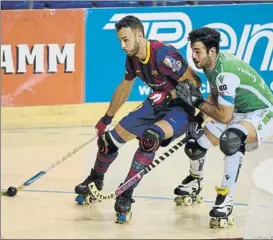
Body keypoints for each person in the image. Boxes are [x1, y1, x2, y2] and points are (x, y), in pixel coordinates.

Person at [74, 15, 202, 223]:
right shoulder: (132, 58)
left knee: (149, 139)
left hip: (180, 108)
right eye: (120, 41)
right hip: (155, 104)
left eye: (126, 40)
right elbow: (125, 87)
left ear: (139, 35)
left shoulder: (163, 54)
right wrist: (107, 118)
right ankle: (95, 180)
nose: (122, 46)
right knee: (107, 141)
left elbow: (195, 82)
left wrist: (169, 95)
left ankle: (126, 193)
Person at [174, 27, 273, 228]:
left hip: (262, 112)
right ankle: (195, 181)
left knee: (231, 140)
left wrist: (197, 103)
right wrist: (197, 119)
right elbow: (215, 97)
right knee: (195, 146)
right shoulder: (212, 65)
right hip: (237, 111)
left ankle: (226, 198)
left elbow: (225, 117)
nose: (193, 56)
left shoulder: (225, 72)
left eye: (197, 51)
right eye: (192, 50)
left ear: (212, 51)